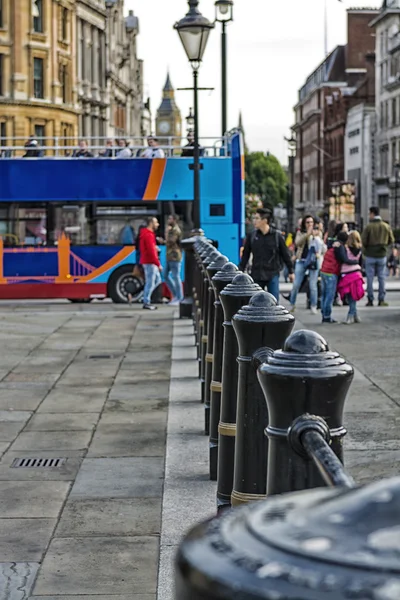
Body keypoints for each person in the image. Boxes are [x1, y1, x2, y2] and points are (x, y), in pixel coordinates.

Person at [239, 208, 294, 301]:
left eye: (257, 218)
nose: (254, 221)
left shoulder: (277, 236)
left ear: (264, 221)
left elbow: (285, 254)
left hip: (272, 274)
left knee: (273, 303)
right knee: (255, 303)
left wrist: (291, 271)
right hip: (256, 274)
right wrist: (240, 270)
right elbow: (246, 255)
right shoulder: (252, 236)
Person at [361, 206, 395, 306]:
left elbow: (364, 241)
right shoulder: (386, 226)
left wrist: (365, 251)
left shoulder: (368, 227)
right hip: (382, 255)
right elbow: (391, 240)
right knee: (381, 277)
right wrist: (385, 248)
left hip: (370, 255)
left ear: (372, 213)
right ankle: (381, 299)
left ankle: (370, 299)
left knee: (370, 278)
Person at [289, 214, 320, 314]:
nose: (310, 224)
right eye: (307, 222)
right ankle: (292, 304)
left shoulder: (317, 232)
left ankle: (313, 305)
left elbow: (321, 247)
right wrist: (307, 234)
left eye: (311, 222)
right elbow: (297, 243)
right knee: (296, 284)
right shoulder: (300, 232)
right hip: (302, 260)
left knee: (313, 285)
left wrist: (315, 236)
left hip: (313, 261)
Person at [337, 231, 364, 324]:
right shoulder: (360, 249)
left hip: (347, 273)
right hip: (357, 273)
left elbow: (344, 259)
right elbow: (361, 262)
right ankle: (355, 315)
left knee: (350, 296)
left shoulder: (345, 248)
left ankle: (350, 316)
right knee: (354, 295)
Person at [139, 216, 162, 310]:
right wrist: (158, 264)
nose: (157, 224)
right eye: (156, 222)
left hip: (148, 261)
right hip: (150, 262)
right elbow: (151, 251)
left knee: (157, 280)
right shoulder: (149, 235)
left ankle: (144, 297)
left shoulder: (145, 233)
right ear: (151, 223)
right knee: (151, 282)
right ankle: (146, 302)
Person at [164, 214, 183, 306]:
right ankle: (175, 296)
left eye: (170, 218)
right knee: (165, 275)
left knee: (176, 276)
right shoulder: (172, 229)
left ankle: (179, 298)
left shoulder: (175, 230)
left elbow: (171, 241)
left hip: (174, 256)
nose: (168, 220)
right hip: (169, 256)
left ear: (174, 220)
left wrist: (166, 233)